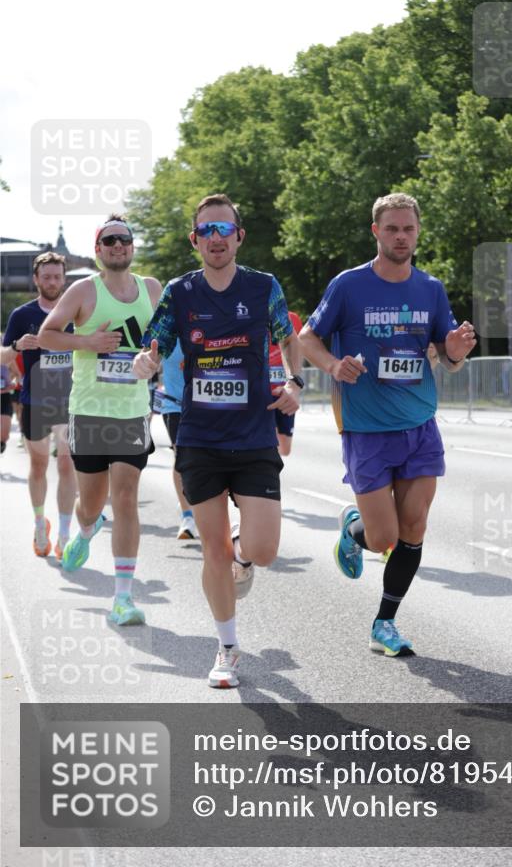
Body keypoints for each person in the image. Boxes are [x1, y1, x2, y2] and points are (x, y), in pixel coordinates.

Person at [132, 193, 302, 689]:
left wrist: (294, 382)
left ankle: (243, 554)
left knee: (264, 550)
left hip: (252, 436)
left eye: (224, 229)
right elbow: (154, 343)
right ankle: (227, 648)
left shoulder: (264, 287)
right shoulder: (181, 293)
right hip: (200, 437)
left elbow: (288, 338)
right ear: (195, 240)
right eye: (206, 231)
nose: (216, 238)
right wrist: (147, 362)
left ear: (239, 236)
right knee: (212, 554)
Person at [299, 193, 476, 658]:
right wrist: (334, 365)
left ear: (418, 233)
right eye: (392, 228)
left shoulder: (430, 289)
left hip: (419, 423)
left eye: (409, 229)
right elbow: (307, 337)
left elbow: (448, 354)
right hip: (366, 428)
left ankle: (385, 622)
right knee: (385, 538)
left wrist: (456, 348)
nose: (401, 236)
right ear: (376, 231)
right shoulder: (349, 285)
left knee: (414, 527)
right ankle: (355, 530)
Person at [38, 216, 161, 625]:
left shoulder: (152, 290)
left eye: (125, 239)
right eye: (109, 240)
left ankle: (122, 598)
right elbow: (47, 334)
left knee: (125, 496)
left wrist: (154, 360)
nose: (118, 245)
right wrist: (86, 342)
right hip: (89, 411)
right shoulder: (82, 290)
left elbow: (169, 340)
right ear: (98, 248)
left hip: (132, 411)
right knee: (91, 504)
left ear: (132, 246)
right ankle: (87, 528)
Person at [1, 253, 77, 558]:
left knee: (66, 463)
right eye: (46, 277)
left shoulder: (76, 311)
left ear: (64, 279)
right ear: (36, 279)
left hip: (70, 401)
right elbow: (3, 357)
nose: (52, 282)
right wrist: (18, 346)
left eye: (57, 276)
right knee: (39, 466)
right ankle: (38, 523)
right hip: (35, 401)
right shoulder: (22, 315)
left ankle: (63, 533)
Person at [153, 338, 198, 540]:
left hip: (207, 404)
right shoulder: (169, 326)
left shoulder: (210, 323)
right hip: (174, 404)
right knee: (182, 457)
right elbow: (149, 355)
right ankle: (187, 516)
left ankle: (199, 507)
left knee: (205, 460)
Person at [269, 310, 303, 456]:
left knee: (285, 448)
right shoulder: (250, 312)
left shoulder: (292, 318)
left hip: (284, 390)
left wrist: (295, 383)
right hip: (261, 390)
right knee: (267, 441)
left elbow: (300, 347)